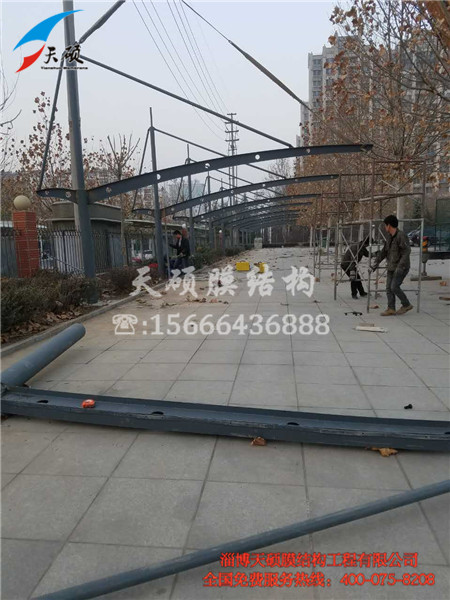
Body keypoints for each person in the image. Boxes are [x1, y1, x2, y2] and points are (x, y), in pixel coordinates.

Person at [372, 215, 412, 316]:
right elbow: (384, 252)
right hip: (391, 266)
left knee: (394, 287)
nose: (385, 227)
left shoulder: (401, 236)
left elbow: (406, 252)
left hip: (401, 267)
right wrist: (375, 263)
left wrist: (400, 267)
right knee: (388, 288)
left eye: (385, 225)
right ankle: (391, 308)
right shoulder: (389, 237)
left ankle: (406, 304)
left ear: (389, 225)